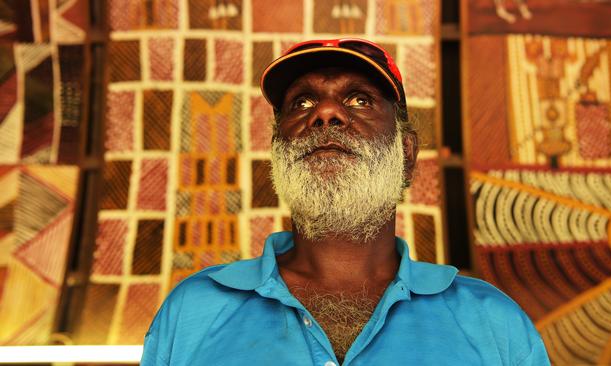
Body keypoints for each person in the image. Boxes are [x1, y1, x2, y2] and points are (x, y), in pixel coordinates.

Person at [141, 38, 550, 366]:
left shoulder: (492, 322)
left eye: (359, 100)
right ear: (277, 150)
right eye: (302, 102)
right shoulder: (193, 312)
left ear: (406, 153)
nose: (326, 112)